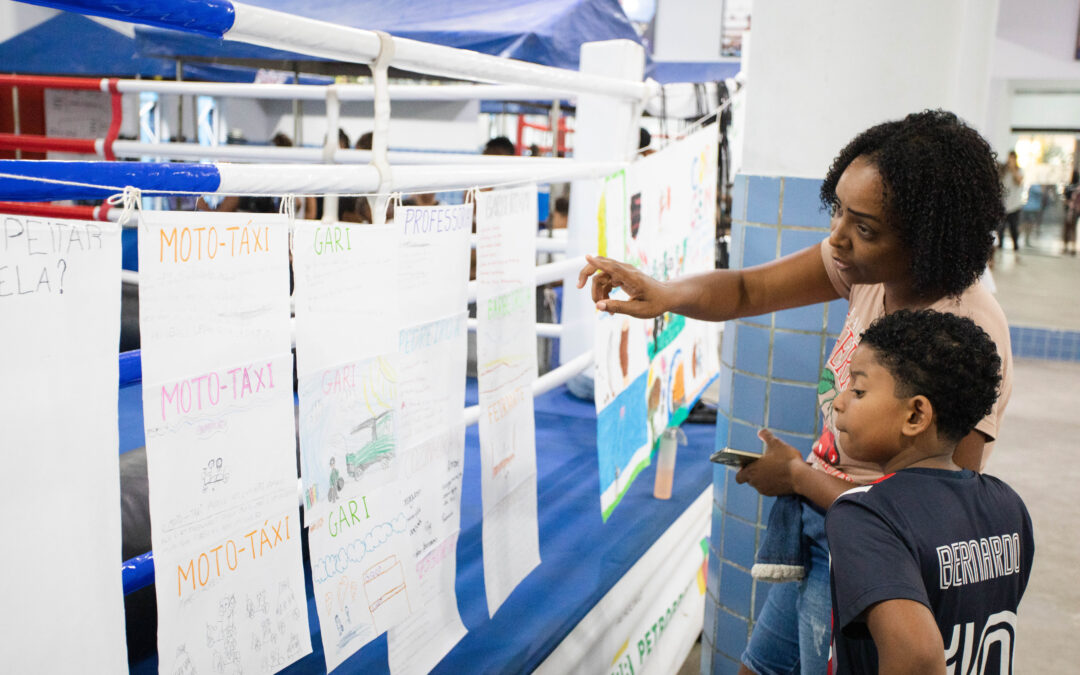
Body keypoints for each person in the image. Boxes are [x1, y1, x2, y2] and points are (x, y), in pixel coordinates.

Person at [577, 109, 1013, 675]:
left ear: (927, 241)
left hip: (873, 561)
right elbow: (746, 288)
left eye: (864, 229)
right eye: (838, 212)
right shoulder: (870, 271)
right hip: (822, 523)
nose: (837, 239)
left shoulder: (966, 334)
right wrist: (665, 293)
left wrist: (801, 479)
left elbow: (939, 517)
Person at [825, 309, 1032, 674]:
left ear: (916, 416)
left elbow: (916, 656)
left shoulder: (866, 515)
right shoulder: (1007, 503)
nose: (840, 402)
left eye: (858, 389)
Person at [997, 150, 1024, 251]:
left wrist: (1013, 169)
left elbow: (1019, 181)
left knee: (1013, 228)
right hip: (1004, 205)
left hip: (1015, 205)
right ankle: (1000, 245)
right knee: (1001, 228)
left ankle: (1015, 246)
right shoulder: (1004, 171)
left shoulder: (1019, 171)